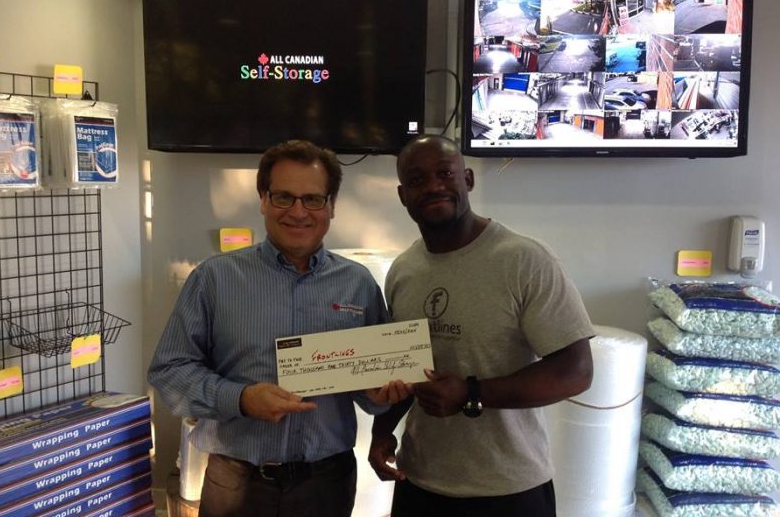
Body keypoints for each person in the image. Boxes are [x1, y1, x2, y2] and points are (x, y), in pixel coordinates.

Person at [148, 139, 408, 517]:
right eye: (284, 197)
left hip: (327, 483)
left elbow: (368, 391)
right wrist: (240, 399)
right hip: (237, 481)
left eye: (313, 199)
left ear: (331, 205)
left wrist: (384, 393)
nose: (298, 212)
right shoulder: (214, 279)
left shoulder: (358, 283)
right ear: (264, 200)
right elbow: (168, 371)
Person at [369, 135, 594, 517]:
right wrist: (383, 430)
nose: (434, 186)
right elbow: (412, 368)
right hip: (420, 482)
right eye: (418, 179)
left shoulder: (524, 260)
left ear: (468, 179)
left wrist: (472, 392)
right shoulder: (404, 270)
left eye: (445, 173)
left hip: (509, 489)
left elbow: (576, 372)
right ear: (402, 195)